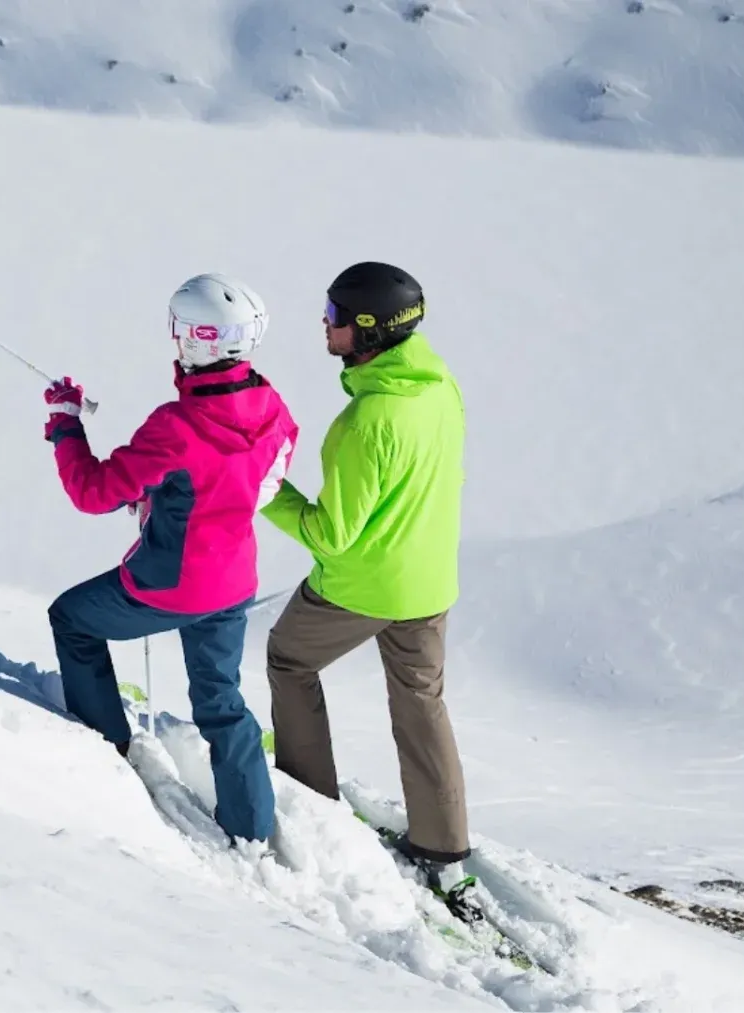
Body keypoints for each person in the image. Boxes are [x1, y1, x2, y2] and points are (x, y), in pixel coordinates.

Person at [42, 274, 299, 844]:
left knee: (72, 619)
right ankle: (251, 827)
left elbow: (93, 492)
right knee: (221, 699)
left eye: (180, 331)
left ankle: (103, 748)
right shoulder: (270, 403)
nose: (175, 341)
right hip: (234, 581)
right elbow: (269, 473)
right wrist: (174, 495)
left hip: (170, 583)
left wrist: (65, 425)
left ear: (199, 342)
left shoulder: (176, 425)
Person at [258, 261, 477, 917]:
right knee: (421, 702)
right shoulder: (439, 389)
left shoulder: (364, 422)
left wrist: (267, 487)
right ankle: (443, 849)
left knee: (289, 660)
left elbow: (332, 534)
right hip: (429, 581)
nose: (324, 323)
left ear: (369, 330)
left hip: (361, 587)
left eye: (334, 315)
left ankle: (311, 802)